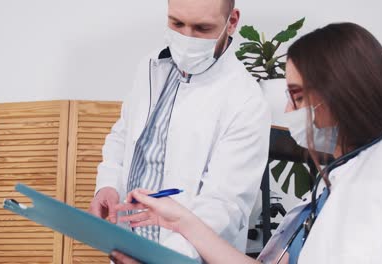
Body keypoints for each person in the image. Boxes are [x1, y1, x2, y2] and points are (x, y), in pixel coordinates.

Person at [111, 22, 382, 264]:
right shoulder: (327, 189)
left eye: (297, 96)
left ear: (341, 91)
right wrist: (181, 222)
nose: (287, 111)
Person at [88, 0, 271, 260]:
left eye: (202, 28)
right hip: (125, 247)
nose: (186, 37)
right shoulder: (150, 67)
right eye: (177, 23)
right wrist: (107, 185)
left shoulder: (246, 101)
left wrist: (159, 258)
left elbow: (224, 206)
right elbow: (123, 136)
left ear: (231, 22)